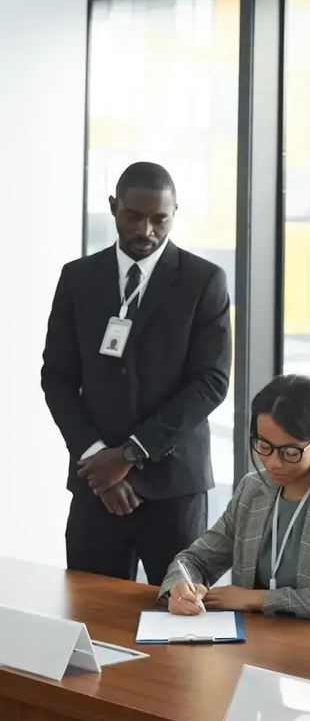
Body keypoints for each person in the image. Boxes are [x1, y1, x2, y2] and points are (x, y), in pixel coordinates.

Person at [41, 162, 232, 586]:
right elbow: (56, 377)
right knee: (91, 618)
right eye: (134, 216)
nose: (146, 229)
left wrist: (128, 455)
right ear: (113, 207)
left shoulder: (204, 281)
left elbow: (211, 383)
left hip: (174, 489)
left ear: (175, 213)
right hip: (96, 490)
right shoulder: (78, 278)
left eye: (160, 219)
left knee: (180, 626)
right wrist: (96, 459)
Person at [160, 375, 310, 621]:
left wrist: (257, 599)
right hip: (259, 641)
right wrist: (180, 587)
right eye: (264, 446)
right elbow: (195, 560)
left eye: (289, 452)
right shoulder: (253, 489)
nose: (273, 463)